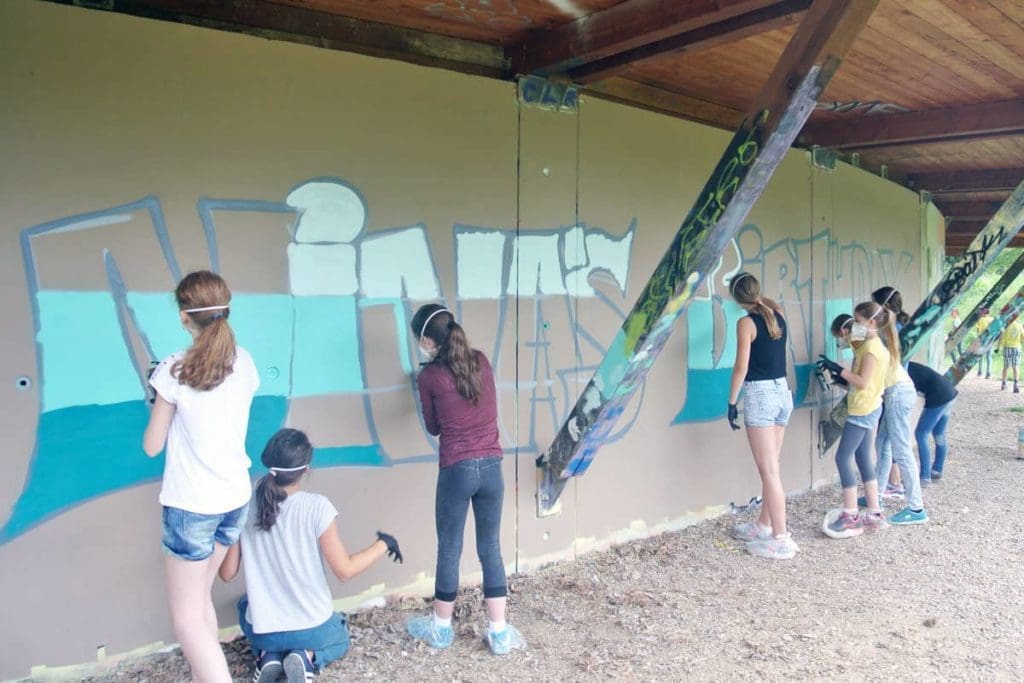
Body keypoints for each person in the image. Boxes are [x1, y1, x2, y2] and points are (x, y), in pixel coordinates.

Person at [143, 271, 260, 682]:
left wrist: (158, 398)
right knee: (199, 600)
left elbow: (152, 445)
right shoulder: (244, 361)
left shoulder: (174, 370)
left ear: (183, 316)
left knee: (187, 620)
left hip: (192, 505)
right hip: (233, 500)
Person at [219, 429, 403, 682]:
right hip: (311, 628)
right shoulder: (317, 507)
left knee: (244, 605)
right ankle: (307, 658)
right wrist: (384, 543)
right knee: (340, 637)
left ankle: (267, 656)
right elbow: (345, 570)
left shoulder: (246, 507)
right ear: (306, 469)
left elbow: (227, 574)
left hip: (266, 631)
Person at [406, 304, 525, 655]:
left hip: (456, 469)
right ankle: (499, 632)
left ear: (427, 341)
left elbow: (433, 426)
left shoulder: (429, 377)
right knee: (490, 546)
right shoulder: (481, 361)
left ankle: (441, 628)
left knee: (450, 547)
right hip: (491, 467)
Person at [724, 272, 798, 560]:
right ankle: (764, 525)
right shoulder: (777, 315)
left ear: (735, 298)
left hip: (761, 395)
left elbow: (741, 366)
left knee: (769, 471)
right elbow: (772, 303)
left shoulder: (746, 323)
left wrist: (732, 402)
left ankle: (781, 538)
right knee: (772, 468)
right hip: (782, 392)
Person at [816, 303, 892, 539]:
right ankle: (874, 512)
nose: (854, 325)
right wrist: (840, 375)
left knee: (843, 457)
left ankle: (850, 515)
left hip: (862, 408)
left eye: (857, 321)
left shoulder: (870, 349)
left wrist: (837, 368)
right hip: (870, 405)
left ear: (870, 323)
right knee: (861, 457)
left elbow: (861, 381)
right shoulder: (873, 345)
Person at [870, 287, 927, 525]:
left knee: (902, 451)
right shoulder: (891, 330)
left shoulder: (885, 333)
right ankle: (877, 496)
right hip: (898, 390)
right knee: (882, 443)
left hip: (897, 392)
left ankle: (916, 508)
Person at [907, 362, 958, 484]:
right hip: (949, 393)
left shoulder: (900, 370)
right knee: (939, 433)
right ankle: (937, 470)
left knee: (921, 433)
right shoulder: (908, 365)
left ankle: (925, 476)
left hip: (939, 397)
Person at [998, 318, 1023, 393]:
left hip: (1007, 348)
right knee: (1015, 366)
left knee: (1006, 366)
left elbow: (1001, 338)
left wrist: (998, 347)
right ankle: (1015, 384)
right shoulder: (1019, 326)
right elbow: (1023, 338)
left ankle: (1003, 384)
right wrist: (1020, 342)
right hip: (1017, 348)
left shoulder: (1005, 326)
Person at [975, 308, 995, 378]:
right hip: (991, 340)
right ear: (988, 313)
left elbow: (978, 330)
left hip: (982, 340)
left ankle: (980, 372)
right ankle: (988, 373)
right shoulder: (993, 319)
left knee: (980, 356)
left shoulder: (980, 320)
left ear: (984, 313)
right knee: (989, 357)